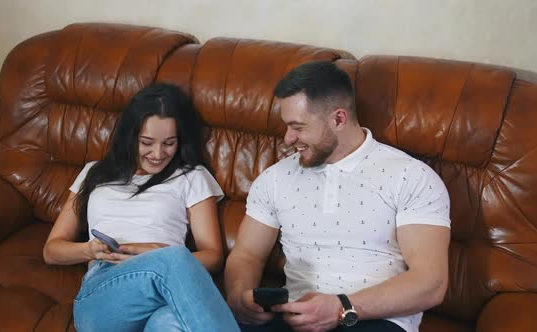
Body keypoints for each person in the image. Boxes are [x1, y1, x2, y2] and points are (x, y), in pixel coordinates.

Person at [225, 61, 451, 332]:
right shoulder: (275, 179)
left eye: (298, 127)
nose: (287, 139)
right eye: (286, 126)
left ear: (338, 119)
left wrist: (342, 306)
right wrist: (240, 297)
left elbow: (431, 282)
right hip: (292, 320)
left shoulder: (410, 176)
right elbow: (247, 254)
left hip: (371, 321)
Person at [43, 83, 239, 332]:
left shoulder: (192, 176)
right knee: (174, 259)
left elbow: (213, 256)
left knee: (168, 323)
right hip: (104, 294)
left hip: (166, 289)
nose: (157, 154)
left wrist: (158, 253)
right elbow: (52, 251)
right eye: (147, 142)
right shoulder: (95, 173)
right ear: (130, 136)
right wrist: (90, 250)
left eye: (169, 143)